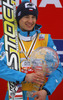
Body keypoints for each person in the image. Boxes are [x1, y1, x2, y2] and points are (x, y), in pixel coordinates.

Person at [0, 1, 63, 100]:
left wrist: (46, 90)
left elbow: (58, 69)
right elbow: (0, 68)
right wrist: (24, 77)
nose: (30, 21)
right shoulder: (8, 39)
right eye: (26, 16)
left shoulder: (45, 39)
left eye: (33, 17)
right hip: (15, 95)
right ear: (19, 18)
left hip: (39, 94)